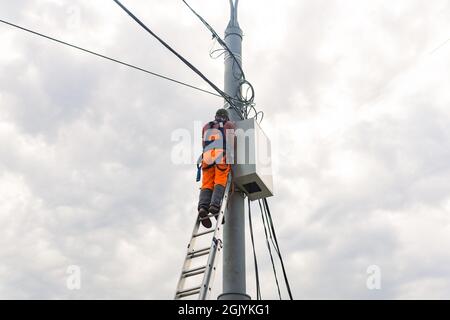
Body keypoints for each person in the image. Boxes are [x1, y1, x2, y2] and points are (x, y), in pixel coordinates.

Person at [197, 108, 236, 228]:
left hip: (207, 156)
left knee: (207, 183)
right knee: (220, 180)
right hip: (221, 154)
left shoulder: (206, 126)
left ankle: (203, 207)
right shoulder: (229, 124)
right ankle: (214, 205)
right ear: (226, 116)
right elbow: (231, 142)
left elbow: (203, 144)